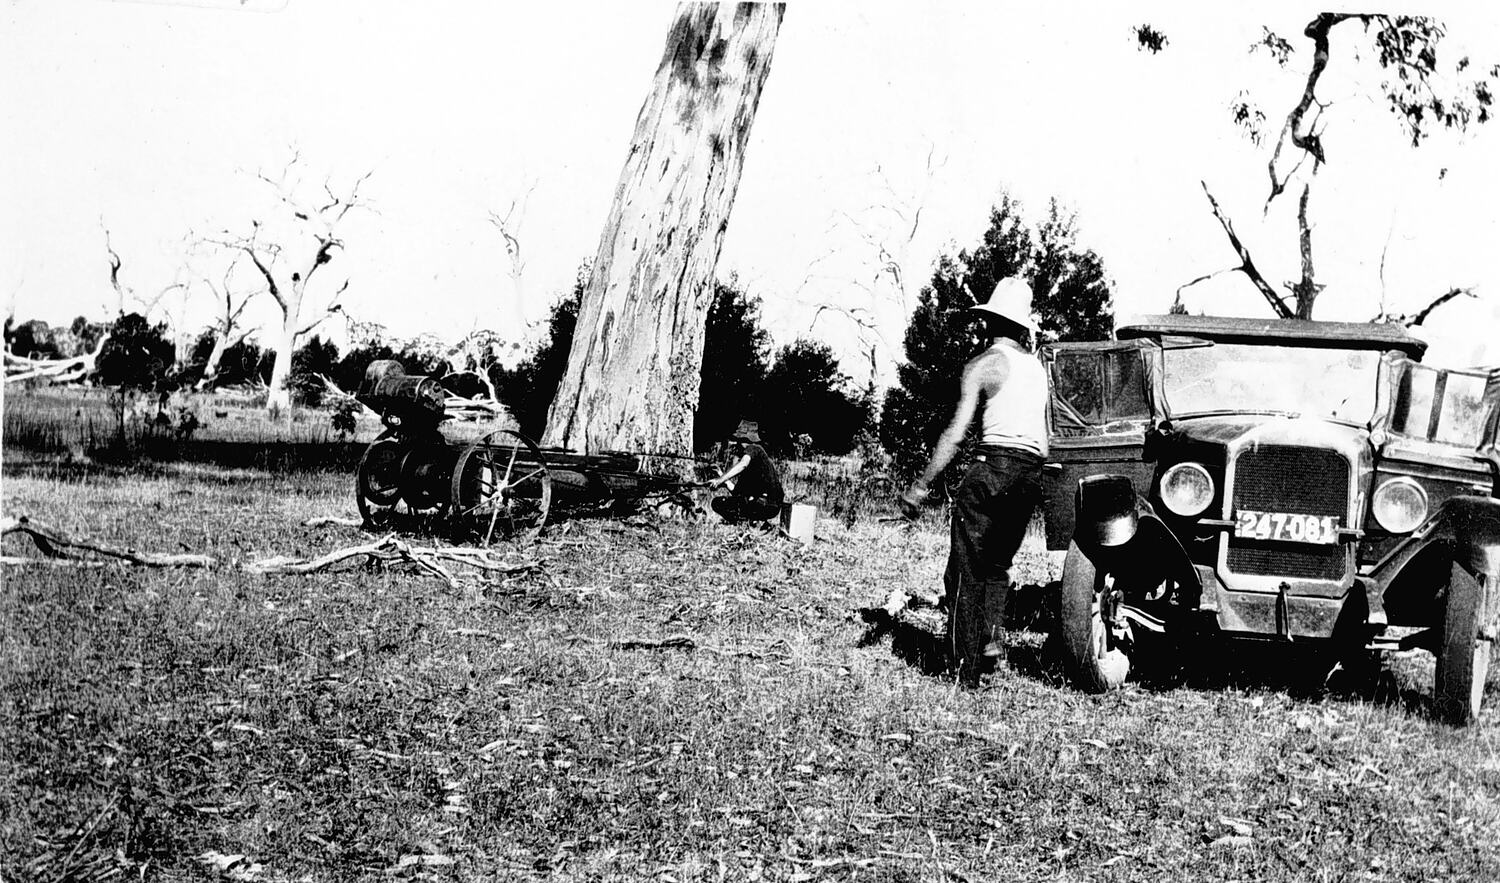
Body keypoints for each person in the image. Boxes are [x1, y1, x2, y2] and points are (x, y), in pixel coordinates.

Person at [899, 277, 1049, 686]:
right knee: (998, 565)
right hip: (1030, 474)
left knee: (964, 570)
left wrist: (921, 484)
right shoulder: (1038, 370)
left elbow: (956, 432)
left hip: (992, 466)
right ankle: (989, 640)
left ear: (988, 322)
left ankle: (963, 670)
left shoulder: (983, 365)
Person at [708, 420, 784, 523]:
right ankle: (747, 523)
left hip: (766, 502)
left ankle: (744, 523)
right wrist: (721, 476)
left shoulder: (754, 449)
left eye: (740, 441)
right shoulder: (751, 466)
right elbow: (737, 492)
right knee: (718, 502)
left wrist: (720, 480)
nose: (738, 444)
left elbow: (742, 465)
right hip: (766, 505)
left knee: (728, 503)